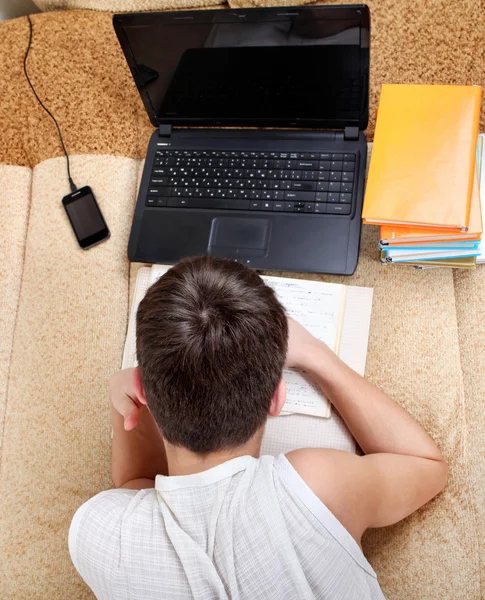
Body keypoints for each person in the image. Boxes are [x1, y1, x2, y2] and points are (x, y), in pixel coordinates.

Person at [68, 256, 448, 600]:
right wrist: (317, 355)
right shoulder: (320, 487)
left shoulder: (98, 534)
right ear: (276, 399)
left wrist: (126, 402)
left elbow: (134, 488)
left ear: (142, 391)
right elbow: (426, 465)